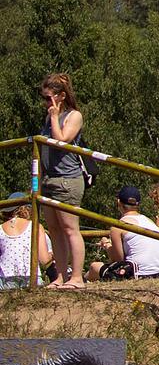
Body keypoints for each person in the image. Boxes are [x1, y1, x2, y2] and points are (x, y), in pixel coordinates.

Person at [36, 73, 87, 290]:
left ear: (62, 96)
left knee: (70, 228)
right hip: (50, 179)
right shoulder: (49, 117)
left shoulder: (73, 116)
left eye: (49, 98)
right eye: (44, 98)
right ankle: (60, 276)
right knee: (54, 229)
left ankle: (77, 277)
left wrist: (56, 117)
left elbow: (61, 140)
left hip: (68, 179)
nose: (46, 103)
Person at [94, 185, 159, 280]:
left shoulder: (118, 226)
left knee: (94, 266)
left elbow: (118, 260)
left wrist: (106, 244)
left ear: (118, 202)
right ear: (138, 204)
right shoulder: (149, 221)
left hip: (138, 274)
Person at [0, 203, 43, 290]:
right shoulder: (35, 226)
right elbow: (44, 259)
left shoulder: (0, 228)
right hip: (32, 277)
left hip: (5, 277)